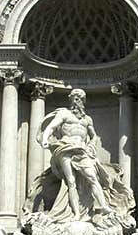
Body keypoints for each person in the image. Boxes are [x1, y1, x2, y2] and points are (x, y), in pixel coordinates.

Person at [38, 88, 114, 220]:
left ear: (83, 101)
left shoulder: (87, 120)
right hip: (65, 147)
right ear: (71, 100)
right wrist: (45, 139)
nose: (77, 100)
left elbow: (94, 136)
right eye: (75, 98)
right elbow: (51, 127)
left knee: (92, 177)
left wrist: (91, 146)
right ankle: (77, 214)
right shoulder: (64, 114)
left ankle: (103, 205)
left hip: (81, 150)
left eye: (80, 98)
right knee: (71, 181)